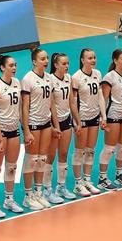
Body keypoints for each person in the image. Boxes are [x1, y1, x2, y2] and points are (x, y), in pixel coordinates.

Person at [19, 46, 55, 210]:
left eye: (47, 58)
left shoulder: (49, 78)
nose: (46, 61)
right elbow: (24, 107)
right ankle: (28, 196)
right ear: (34, 61)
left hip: (46, 123)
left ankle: (38, 192)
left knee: (42, 158)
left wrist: (54, 124)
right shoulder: (28, 79)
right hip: (33, 123)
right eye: (42, 59)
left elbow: (51, 102)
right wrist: (26, 130)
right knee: (31, 159)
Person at [0, 53, 24, 216]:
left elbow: (20, 108)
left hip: (14, 130)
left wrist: (25, 129)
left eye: (15, 65)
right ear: (2, 67)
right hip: (1, 131)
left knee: (11, 166)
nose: (14, 68)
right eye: (11, 65)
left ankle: (9, 200)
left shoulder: (17, 83)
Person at [70, 48, 105, 196]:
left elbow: (100, 96)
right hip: (82, 118)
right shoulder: (76, 77)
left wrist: (103, 116)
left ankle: (87, 180)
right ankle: (78, 184)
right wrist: (76, 121)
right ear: (82, 60)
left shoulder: (97, 74)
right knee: (80, 151)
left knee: (91, 150)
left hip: (94, 116)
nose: (93, 60)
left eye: (94, 57)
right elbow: (73, 102)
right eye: (89, 58)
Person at [99, 48, 122, 190]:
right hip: (113, 115)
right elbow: (103, 99)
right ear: (115, 60)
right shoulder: (109, 77)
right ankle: (102, 178)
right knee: (109, 148)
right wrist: (103, 117)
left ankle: (119, 175)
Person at [47, 52, 76, 201]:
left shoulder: (68, 78)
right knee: (50, 157)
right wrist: (55, 125)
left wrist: (77, 120)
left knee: (63, 154)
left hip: (66, 120)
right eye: (64, 64)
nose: (67, 66)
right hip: (54, 122)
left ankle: (61, 187)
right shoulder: (50, 80)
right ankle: (47, 190)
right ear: (56, 65)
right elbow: (50, 104)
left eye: (68, 63)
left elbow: (71, 101)